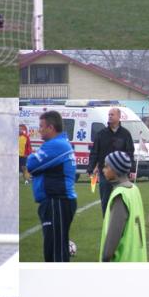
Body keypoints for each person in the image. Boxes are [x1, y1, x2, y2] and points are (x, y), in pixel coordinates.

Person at [26, 110, 77, 262]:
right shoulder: (58, 144)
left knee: (54, 251)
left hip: (57, 201)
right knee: (55, 248)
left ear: (51, 127)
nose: (39, 129)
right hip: (57, 201)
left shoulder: (56, 145)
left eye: (41, 126)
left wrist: (34, 159)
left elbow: (31, 164)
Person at [99, 152, 147, 262]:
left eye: (106, 166)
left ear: (115, 170)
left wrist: (105, 257)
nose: (103, 169)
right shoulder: (134, 190)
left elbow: (113, 235)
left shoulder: (120, 195)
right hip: (137, 257)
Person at [87, 107, 135, 214]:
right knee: (105, 200)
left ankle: (122, 220)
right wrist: (91, 168)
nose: (110, 116)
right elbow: (94, 152)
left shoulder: (125, 134)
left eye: (112, 114)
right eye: (109, 114)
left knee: (122, 198)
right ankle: (106, 222)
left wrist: (132, 170)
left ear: (119, 117)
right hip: (105, 172)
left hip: (121, 173)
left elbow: (130, 152)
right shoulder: (101, 134)